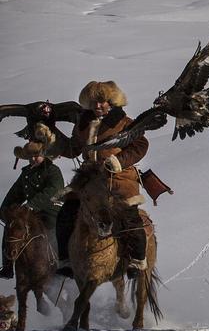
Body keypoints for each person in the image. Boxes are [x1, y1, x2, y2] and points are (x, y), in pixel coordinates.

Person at [53, 81, 150, 277]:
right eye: (93, 102)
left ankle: (137, 261)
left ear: (111, 102)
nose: (97, 106)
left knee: (130, 218)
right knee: (66, 213)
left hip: (118, 179)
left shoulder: (125, 123)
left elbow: (141, 145)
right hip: (88, 182)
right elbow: (73, 149)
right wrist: (51, 137)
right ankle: (65, 260)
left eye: (102, 101)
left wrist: (118, 161)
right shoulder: (83, 125)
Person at [0, 141, 65, 278]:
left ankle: (63, 264)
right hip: (31, 213)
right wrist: (5, 211)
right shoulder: (26, 174)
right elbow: (15, 194)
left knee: (54, 231)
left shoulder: (53, 171)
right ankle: (7, 267)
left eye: (37, 155)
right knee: (11, 228)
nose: (34, 159)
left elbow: (52, 191)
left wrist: (31, 205)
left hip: (51, 211)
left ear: (44, 155)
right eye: (30, 156)